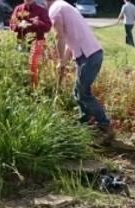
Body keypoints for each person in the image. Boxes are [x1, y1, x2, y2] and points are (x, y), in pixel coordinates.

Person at [47, 0, 113, 140]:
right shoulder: (64, 6)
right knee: (77, 91)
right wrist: (62, 61)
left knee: (83, 92)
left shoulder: (55, 10)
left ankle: (105, 125)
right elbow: (69, 42)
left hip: (89, 56)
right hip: (88, 54)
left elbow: (59, 37)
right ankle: (85, 120)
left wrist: (60, 61)